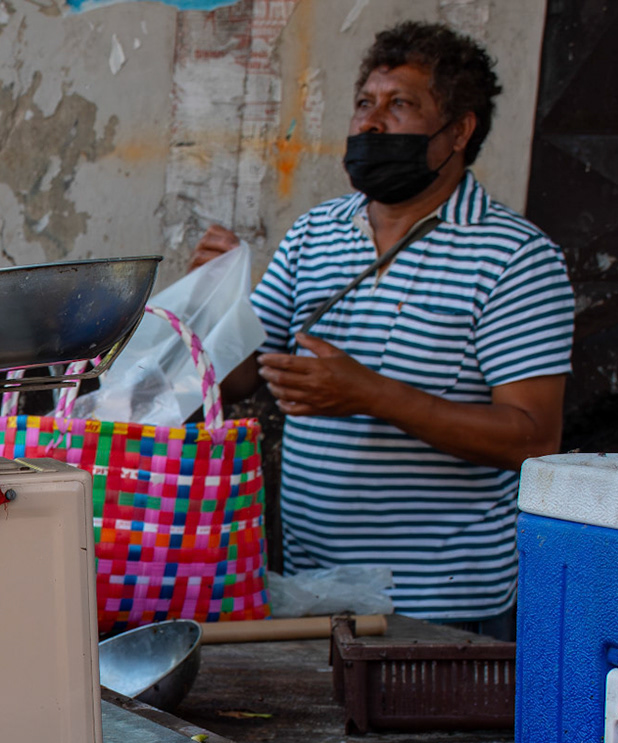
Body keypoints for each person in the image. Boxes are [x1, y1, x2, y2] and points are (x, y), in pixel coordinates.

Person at [193, 22, 573, 640]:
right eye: (365, 104)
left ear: (459, 131)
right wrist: (217, 303)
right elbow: (235, 378)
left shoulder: (515, 257)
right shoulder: (315, 234)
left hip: (444, 604)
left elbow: (532, 439)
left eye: (400, 106)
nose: (370, 124)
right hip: (313, 588)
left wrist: (370, 394)